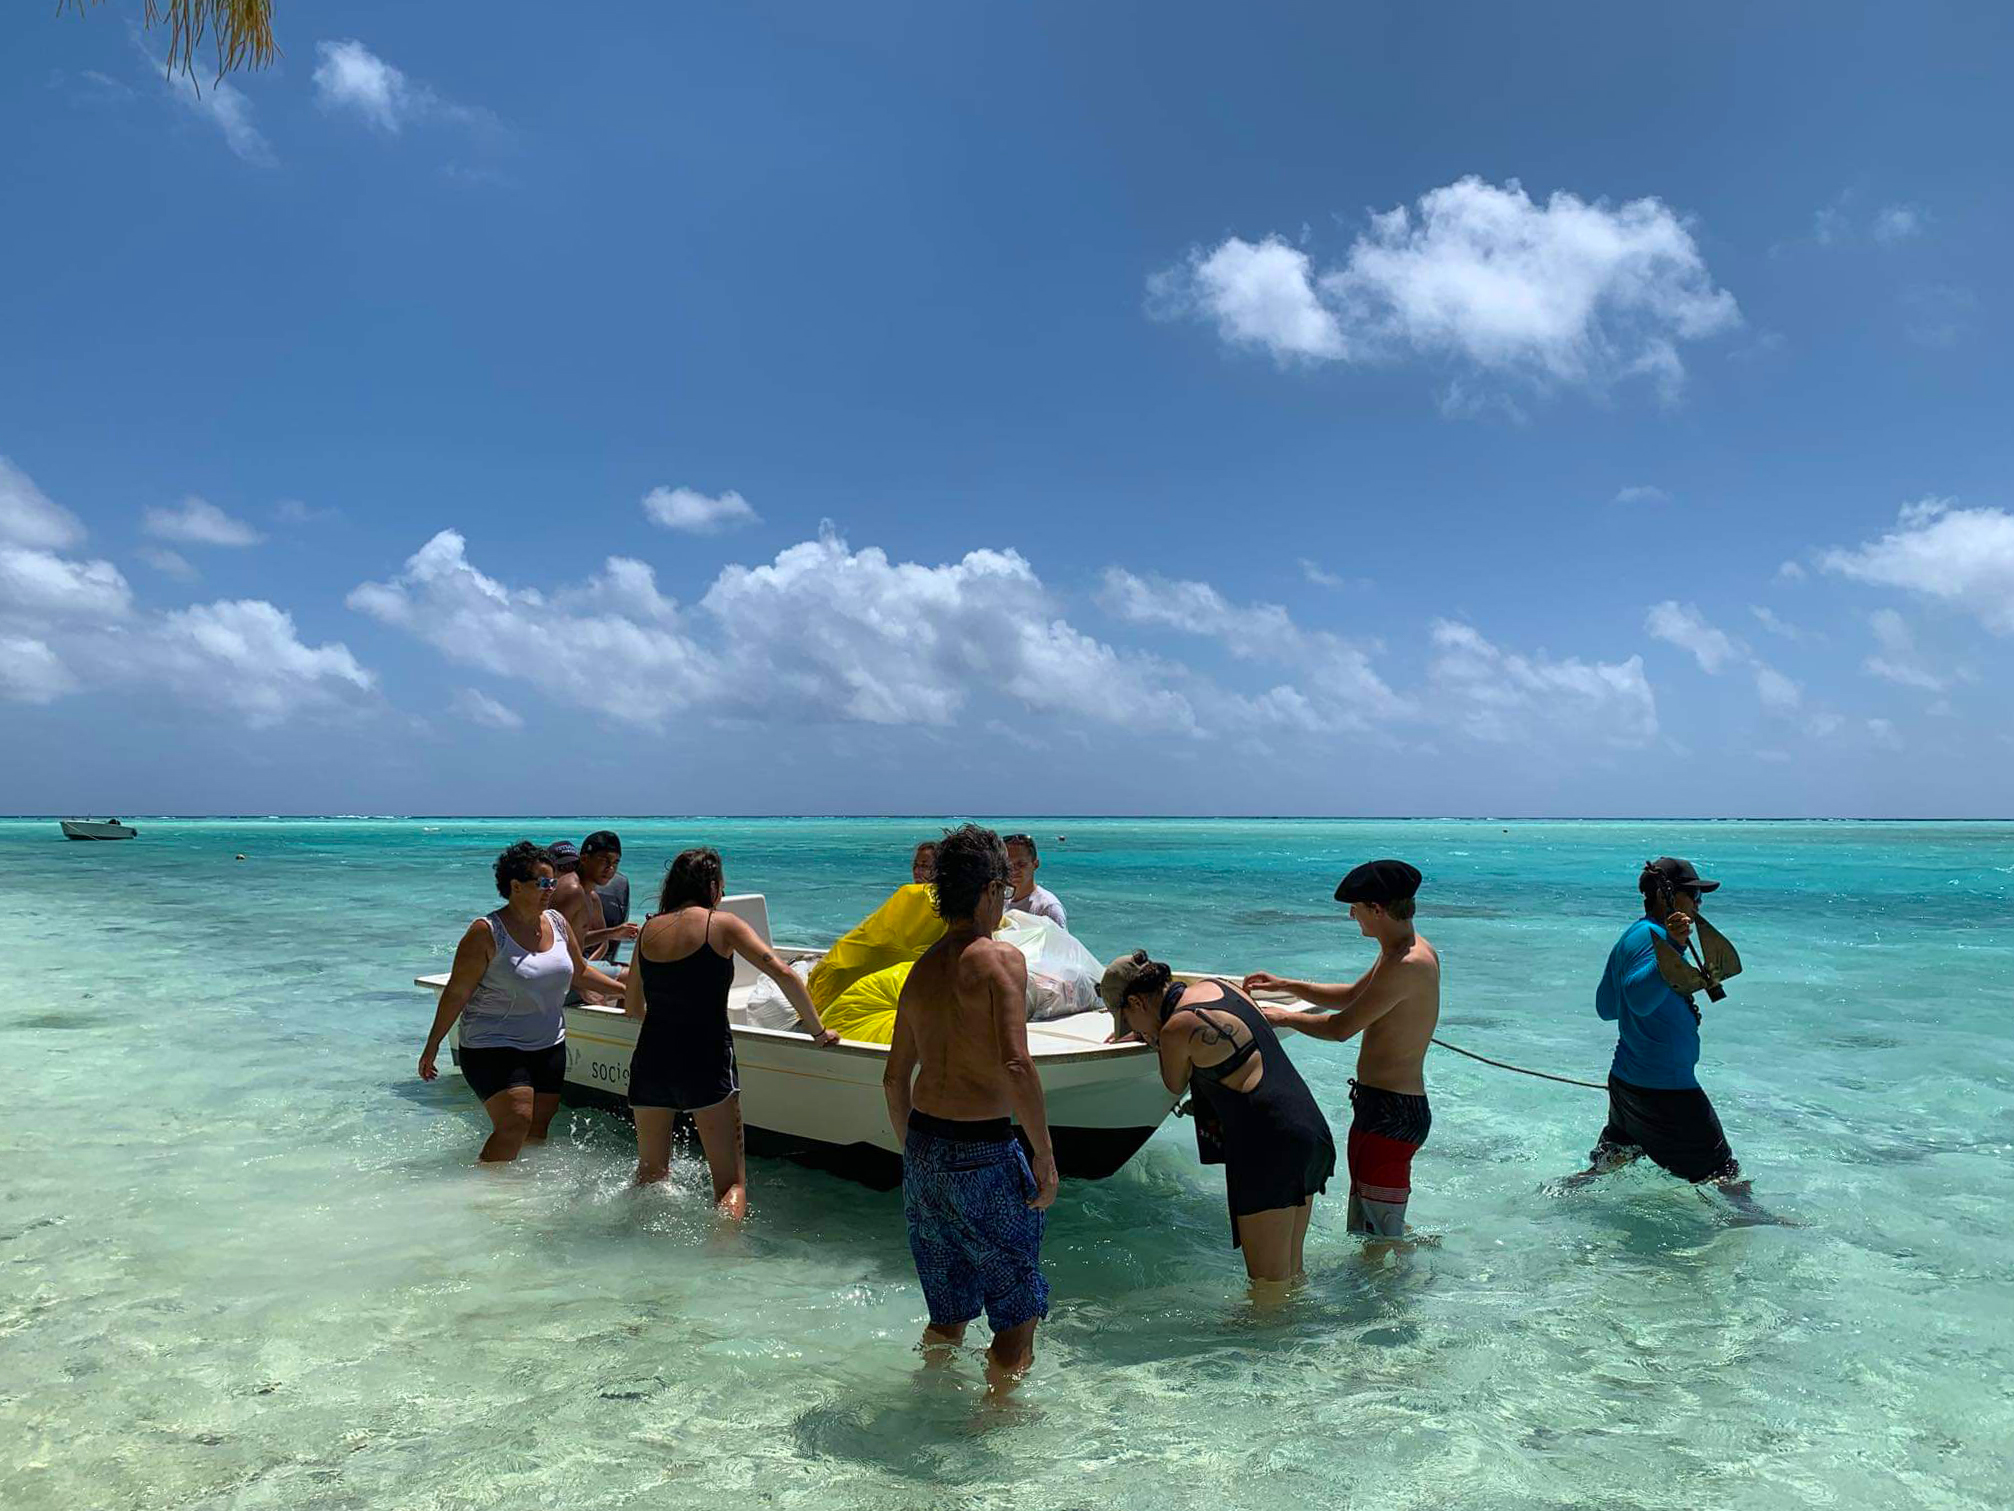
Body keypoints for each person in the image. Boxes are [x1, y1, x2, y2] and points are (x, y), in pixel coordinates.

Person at [883, 824, 1057, 1388]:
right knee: (1016, 1317)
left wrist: (916, 1156)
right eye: (1004, 891)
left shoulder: (921, 969)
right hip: (981, 1151)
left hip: (926, 1152)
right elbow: (1016, 1065)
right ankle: (992, 1444)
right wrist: (1045, 1158)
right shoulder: (1000, 961)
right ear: (988, 891)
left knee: (948, 1315)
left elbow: (892, 1080)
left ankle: (925, 1398)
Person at [624, 847, 839, 1218]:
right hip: (705, 1057)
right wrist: (818, 1031)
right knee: (729, 1185)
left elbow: (632, 1009)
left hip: (651, 1059)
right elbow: (784, 973)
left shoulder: (647, 931)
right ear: (711, 885)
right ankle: (723, 1264)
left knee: (651, 1175)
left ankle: (636, 1254)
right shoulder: (721, 924)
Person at [1103, 952, 1334, 1287]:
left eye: (1127, 1019)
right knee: (1291, 1277)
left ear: (1136, 1002)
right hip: (1305, 1129)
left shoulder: (1177, 1029)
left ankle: (1262, 1339)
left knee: (1267, 1287)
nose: (1130, 1030)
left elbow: (1173, 1083)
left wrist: (1155, 1037)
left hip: (1268, 1149)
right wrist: (1151, 1031)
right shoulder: (1219, 987)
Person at [1564, 858, 1778, 1218]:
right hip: (1665, 1093)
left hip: (1628, 1084)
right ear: (1667, 895)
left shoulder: (1633, 934)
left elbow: (1606, 1006)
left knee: (1610, 1163)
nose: (1699, 903)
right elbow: (1637, 999)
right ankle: (1757, 1227)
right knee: (1722, 1176)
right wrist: (1674, 951)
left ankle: (1553, 1202)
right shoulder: (1658, 939)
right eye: (1694, 894)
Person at [1245, 859, 1439, 1242]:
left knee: (1380, 1235)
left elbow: (1341, 1028)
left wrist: (1282, 1018)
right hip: (1380, 1106)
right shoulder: (1399, 949)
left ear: (1377, 909)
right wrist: (1286, 984)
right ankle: (1387, 1283)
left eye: (1356, 908)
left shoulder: (1408, 962)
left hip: (1392, 1113)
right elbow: (1352, 995)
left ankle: (1394, 1294)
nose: (1352, 916)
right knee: (1374, 1226)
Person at [418, 841, 625, 1162]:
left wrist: (625, 991)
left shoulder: (557, 922)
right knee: (515, 1122)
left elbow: (581, 972)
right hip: (492, 1043)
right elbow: (457, 992)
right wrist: (433, 1044)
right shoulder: (486, 932)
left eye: (553, 882)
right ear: (515, 886)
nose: (550, 889)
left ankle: (522, 1188)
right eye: (542, 883)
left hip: (548, 1044)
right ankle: (486, 1193)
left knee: (539, 1126)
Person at [1004, 833, 1066, 929]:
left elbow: (1062, 943)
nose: (1014, 870)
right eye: (1008, 865)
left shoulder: (1047, 908)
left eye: (1021, 864)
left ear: (1035, 865)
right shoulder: (1001, 901)